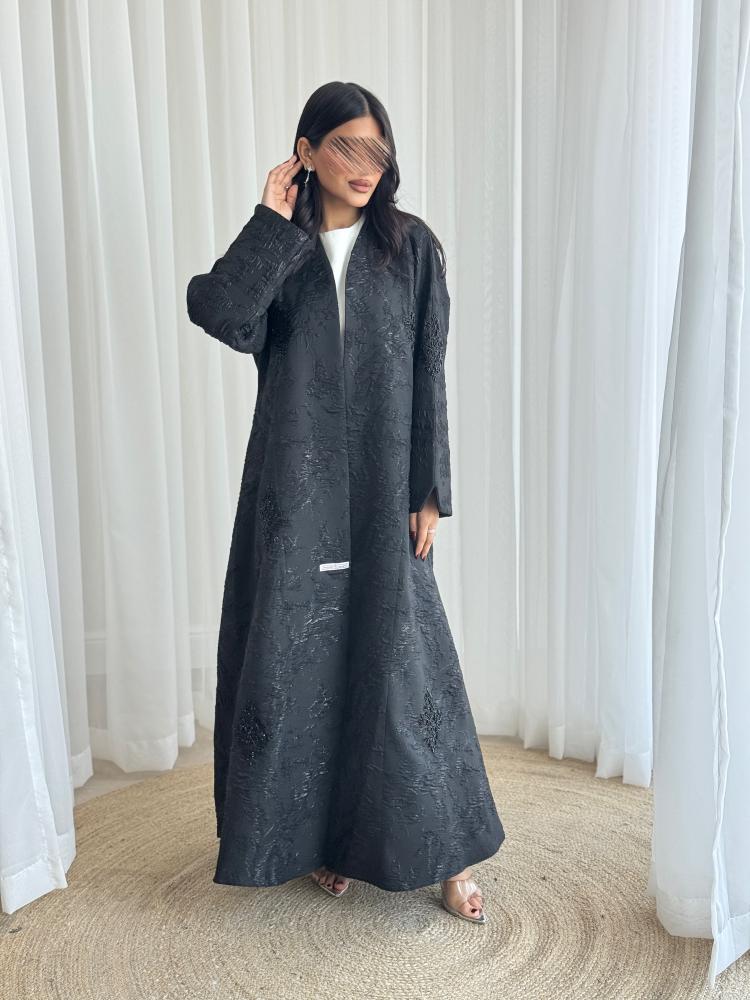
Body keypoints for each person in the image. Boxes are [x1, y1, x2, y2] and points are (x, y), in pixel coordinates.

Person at [186, 81, 505, 925]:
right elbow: (220, 314)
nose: (366, 167)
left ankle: (447, 859)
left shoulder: (410, 247)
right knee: (302, 665)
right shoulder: (282, 252)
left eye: (378, 151)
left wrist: (430, 489)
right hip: (294, 493)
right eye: (346, 148)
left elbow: (429, 369)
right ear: (307, 151)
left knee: (405, 667)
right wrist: (268, 222)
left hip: (385, 490)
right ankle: (326, 842)